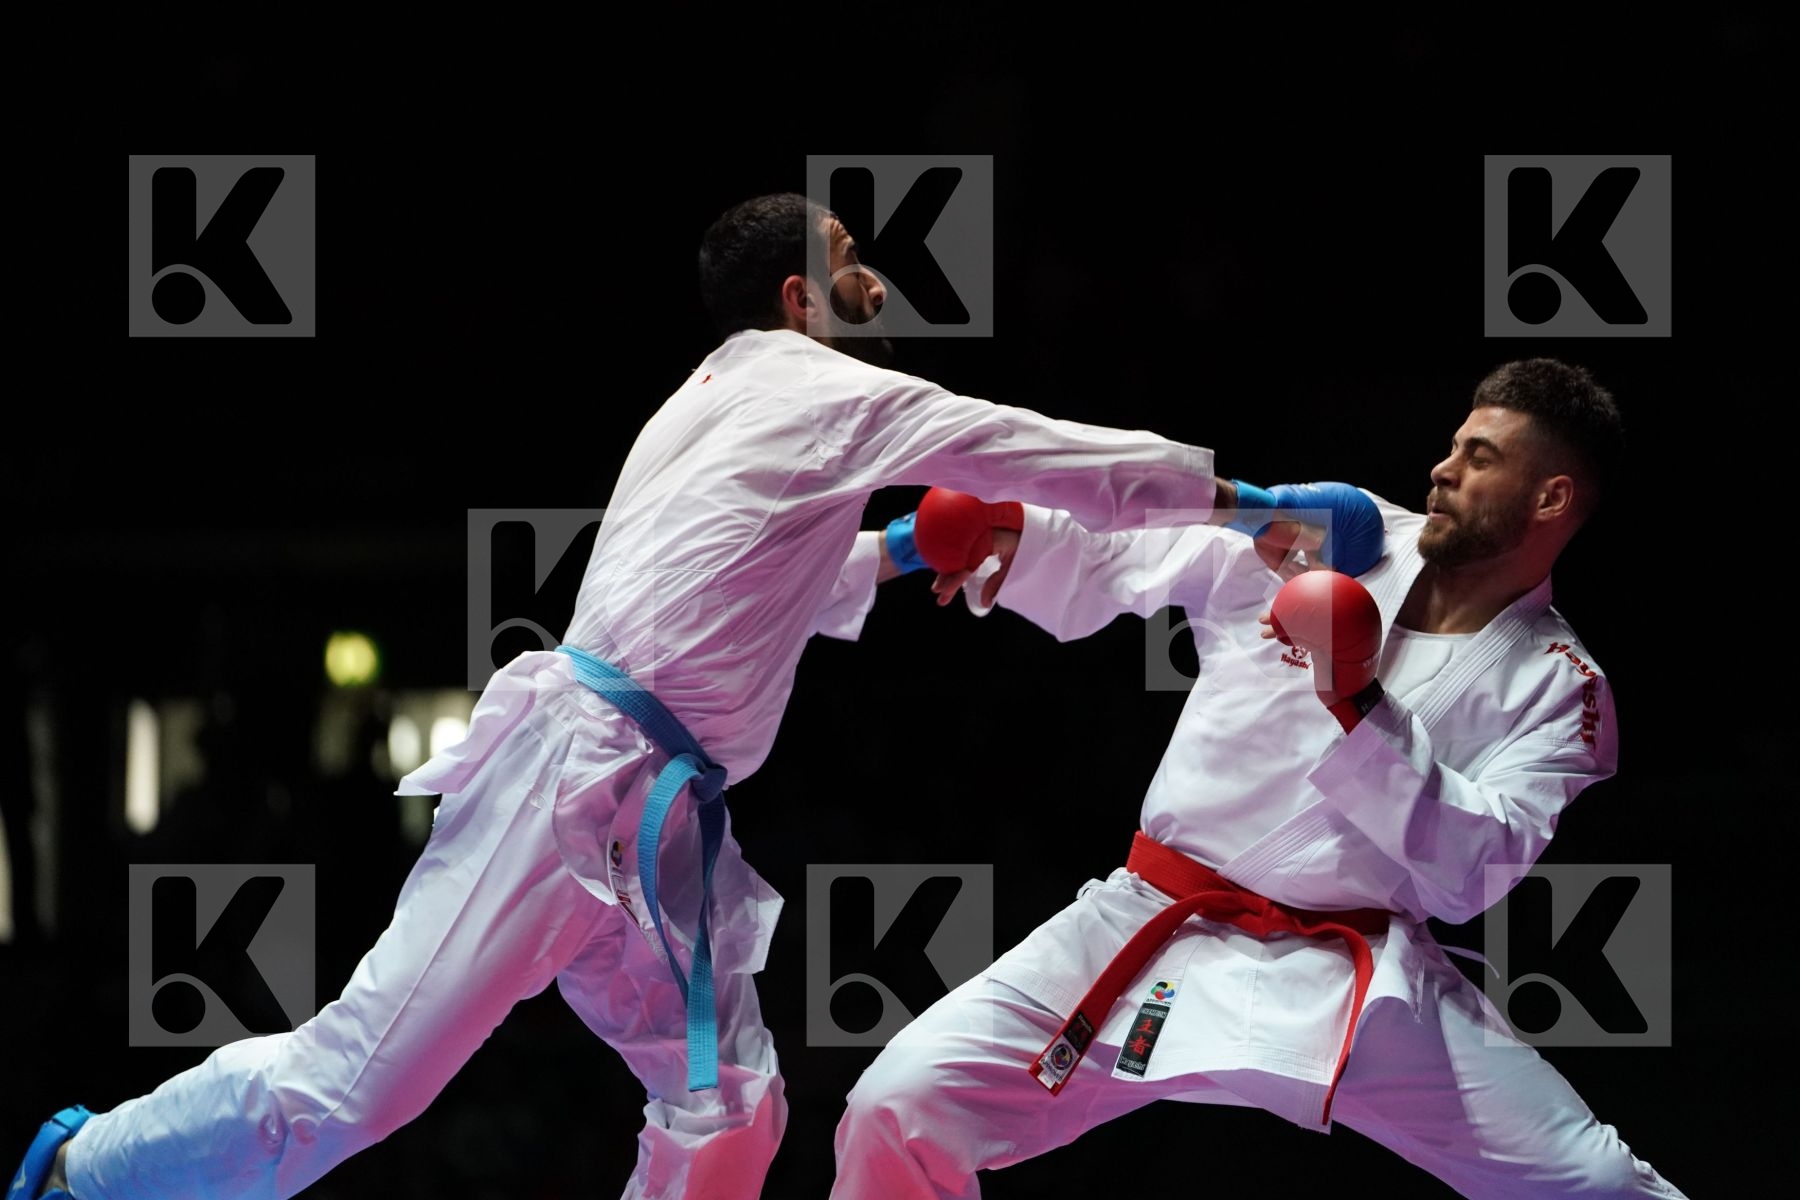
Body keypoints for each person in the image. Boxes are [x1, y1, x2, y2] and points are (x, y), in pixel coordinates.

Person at [12, 192, 1281, 1200]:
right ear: (799, 298)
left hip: (659, 820)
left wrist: (898, 554)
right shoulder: (828, 387)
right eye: (850, 258)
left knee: (726, 1101)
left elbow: (744, 579)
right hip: (571, 781)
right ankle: (85, 1169)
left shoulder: (724, 397)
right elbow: (1047, 455)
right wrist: (1254, 508)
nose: (875, 279)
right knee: (355, 1086)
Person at [830, 359, 1690, 1198]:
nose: (1444, 467)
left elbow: (1476, 871)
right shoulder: (1334, 534)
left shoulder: (1562, 686)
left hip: (1353, 975)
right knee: (896, 1105)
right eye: (1454, 444)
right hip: (1152, 922)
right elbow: (1148, 550)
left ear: (1551, 498)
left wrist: (1360, 700)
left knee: (1597, 1179)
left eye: (1481, 457)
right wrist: (1017, 536)